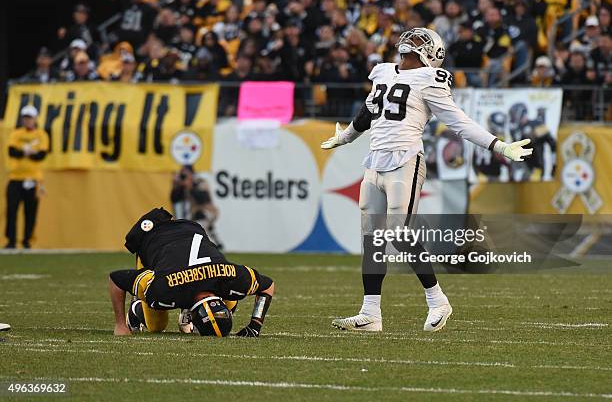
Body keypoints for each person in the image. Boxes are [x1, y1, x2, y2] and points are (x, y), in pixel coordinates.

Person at [321, 27, 532, 332]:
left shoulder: (431, 80)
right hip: (375, 159)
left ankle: (438, 300)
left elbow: (459, 123)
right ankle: (370, 313)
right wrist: (346, 138)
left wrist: (498, 145)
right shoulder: (382, 73)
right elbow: (368, 113)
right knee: (371, 238)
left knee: (398, 233)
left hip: (405, 159)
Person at [108, 208, 274, 337]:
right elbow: (117, 279)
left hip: (190, 228)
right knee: (156, 326)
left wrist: (254, 327)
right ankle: (136, 309)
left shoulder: (232, 276)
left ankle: (186, 309)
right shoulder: (164, 287)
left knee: (230, 300)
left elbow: (268, 285)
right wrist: (120, 325)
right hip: (151, 237)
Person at [5, 106, 49, 249]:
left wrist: (25, 151)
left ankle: (27, 241)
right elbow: (12, 152)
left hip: (33, 179)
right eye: (25, 118)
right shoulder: (16, 133)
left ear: (35, 118)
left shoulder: (41, 134)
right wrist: (27, 151)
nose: (27, 120)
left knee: (30, 212)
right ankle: (11, 241)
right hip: (15, 178)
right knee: (12, 210)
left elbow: (41, 155)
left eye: (29, 118)